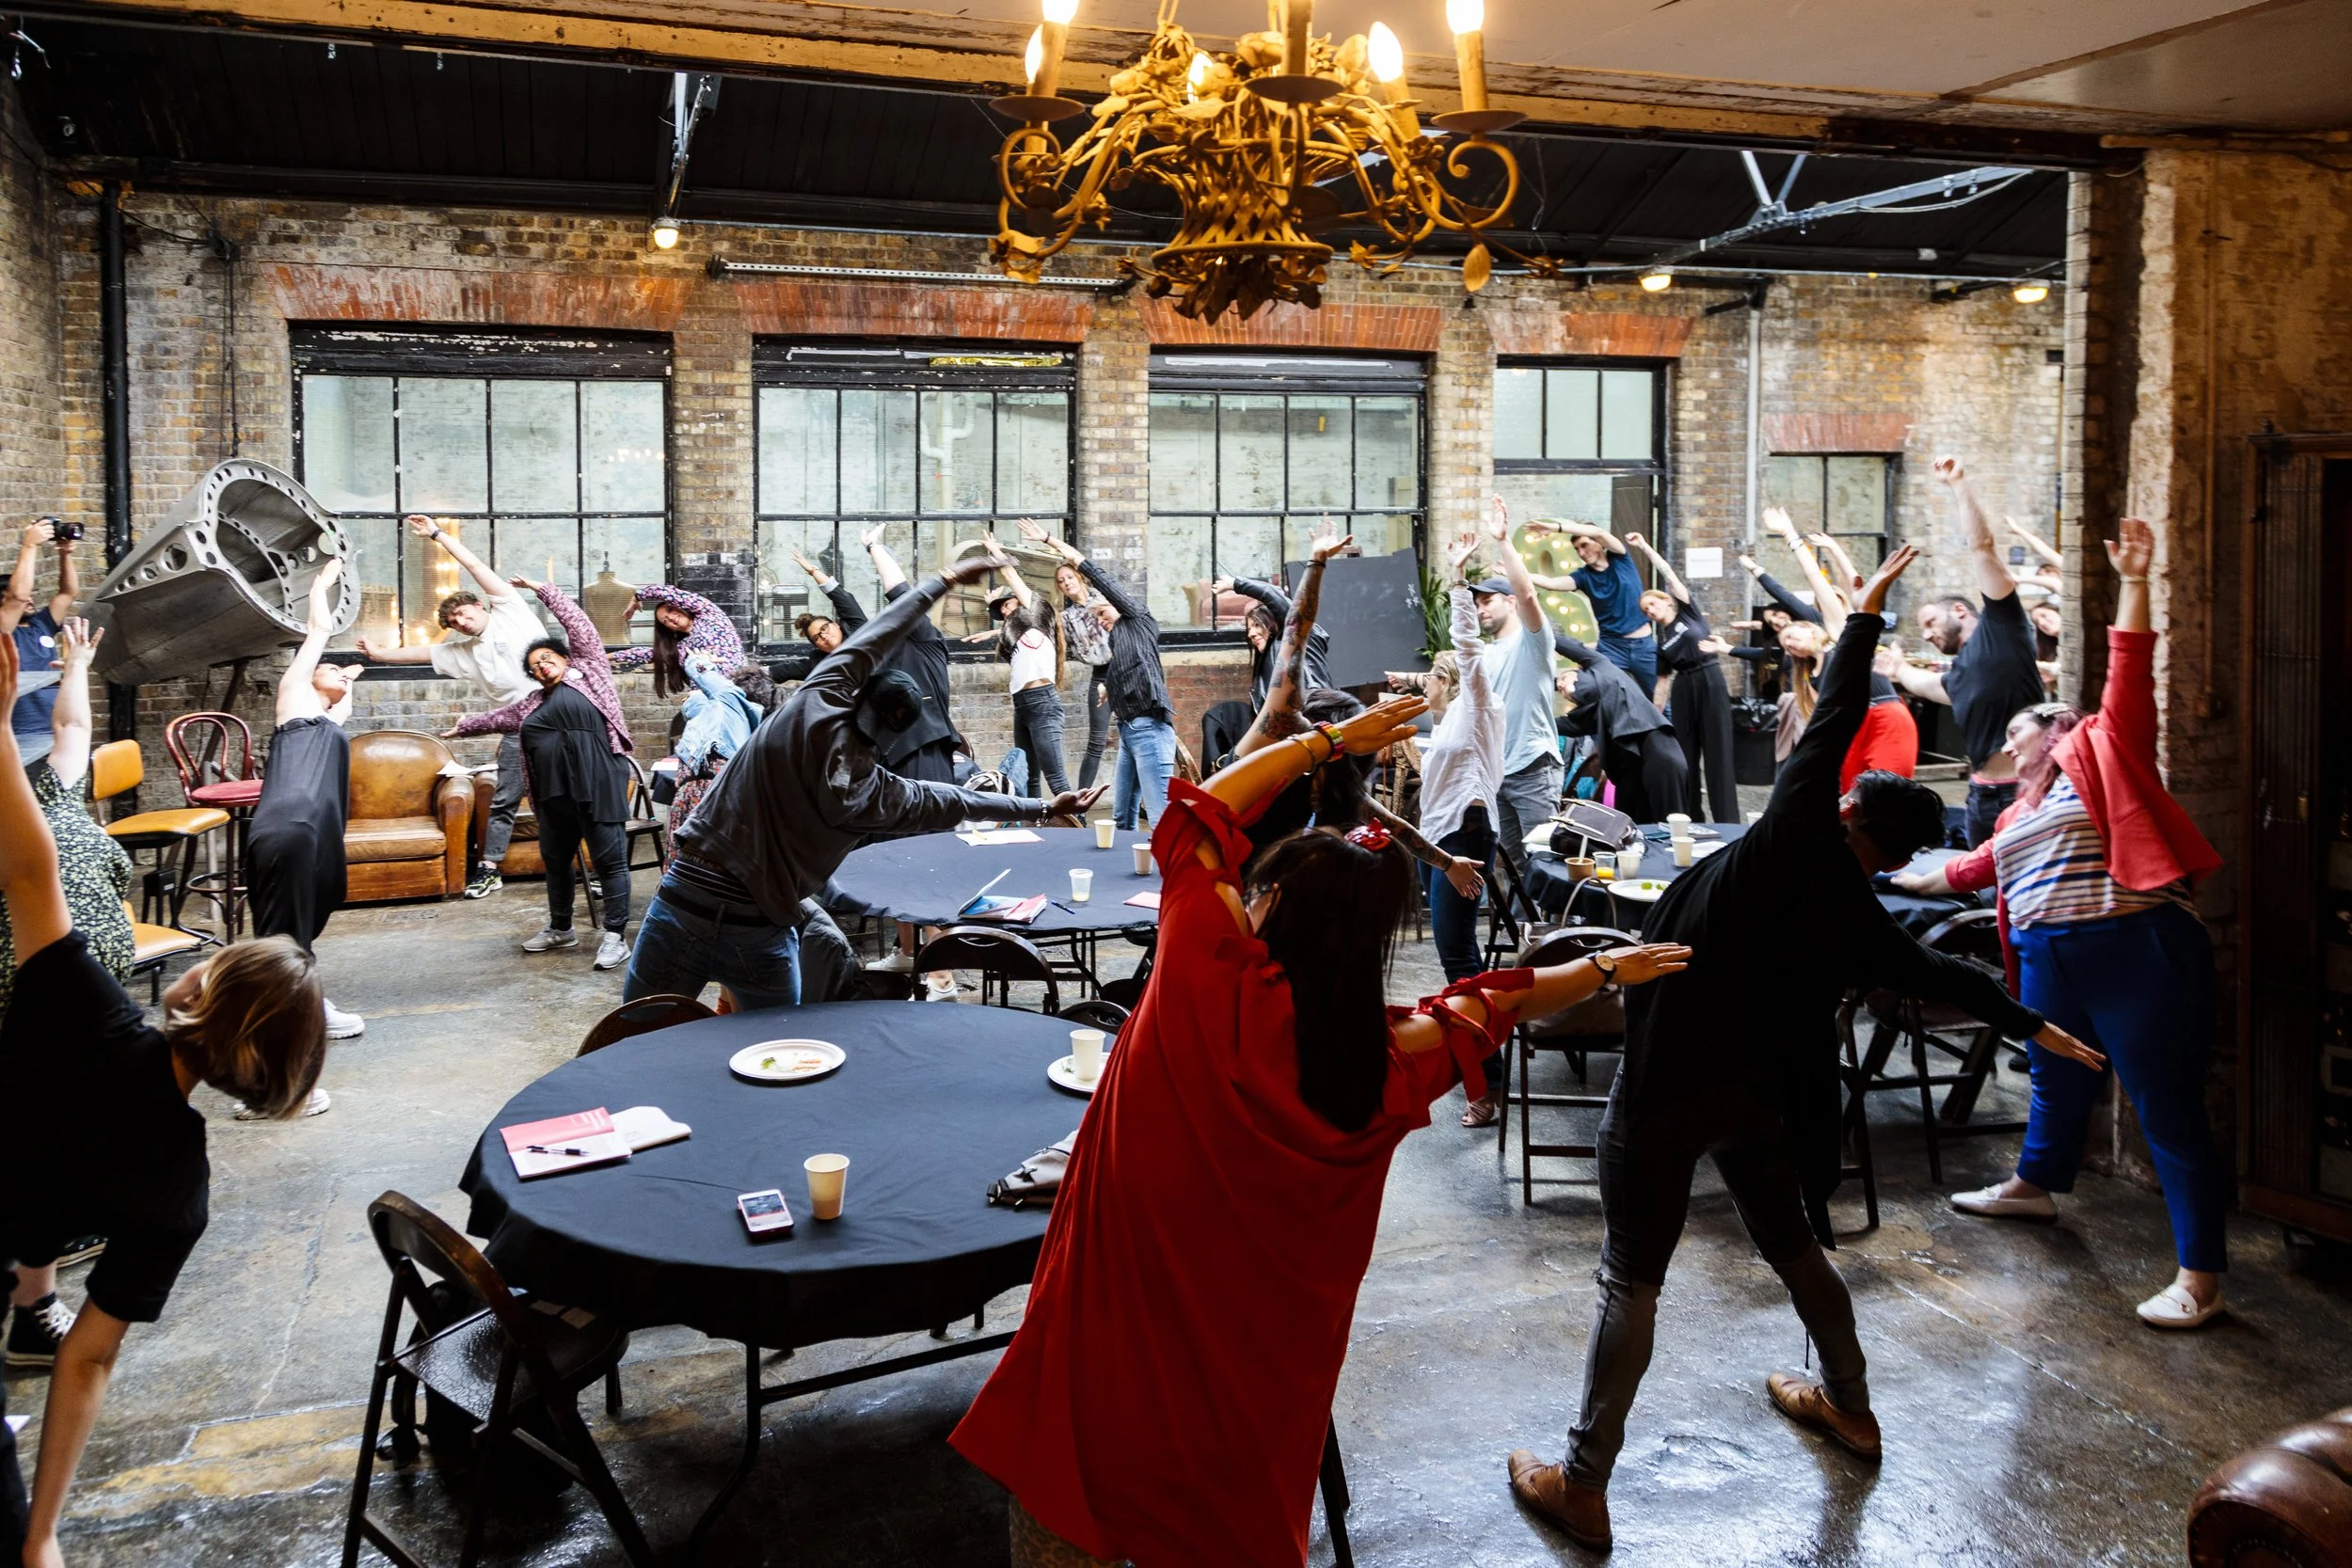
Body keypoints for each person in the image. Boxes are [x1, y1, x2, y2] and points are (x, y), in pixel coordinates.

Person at [949, 689, 1690, 1568]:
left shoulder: (1202, 975)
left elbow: (1202, 808)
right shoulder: (1385, 1065)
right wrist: (1605, 963)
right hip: (1243, 1415)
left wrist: (1325, 741)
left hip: (1095, 1395)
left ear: (1264, 907)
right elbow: (1505, 998)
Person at [1502, 546, 2101, 1552]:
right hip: (1757, 1104)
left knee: (1628, 1278)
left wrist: (1863, 616)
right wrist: (2035, 1026)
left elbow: (1825, 729)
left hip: (1663, 1089)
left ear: (1849, 810)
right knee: (1793, 1249)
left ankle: (1583, 1478)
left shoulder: (1790, 834)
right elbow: (1950, 977)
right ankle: (1849, 1403)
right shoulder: (1861, 914)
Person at [0, 625, 328, 1568]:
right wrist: (43, 1530)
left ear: (194, 987)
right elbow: (88, 1359)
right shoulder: (179, 1190)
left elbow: (29, 871)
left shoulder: (85, 1012)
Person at [1894, 515, 2229, 1329]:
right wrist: (1880, 865)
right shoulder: (2016, 817)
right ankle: (2035, 1188)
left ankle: (2202, 1276)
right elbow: (1963, 871)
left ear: (2061, 731)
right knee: (2055, 1077)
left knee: (2166, 1104)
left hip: (2131, 945)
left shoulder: (2105, 754)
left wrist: (2137, 579)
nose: (2009, 745)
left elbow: (2129, 673)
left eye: (2021, 731)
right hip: (2048, 957)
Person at [625, 546, 1104, 1010]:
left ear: (856, 691)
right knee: (771, 1053)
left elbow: (881, 632)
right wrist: (1043, 808)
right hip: (760, 926)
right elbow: (956, 802)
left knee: (633, 1043)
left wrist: (946, 581)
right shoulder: (877, 792)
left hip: (686, 902)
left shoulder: (813, 707)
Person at [2, 617, 133, 1373]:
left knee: (55, 1148)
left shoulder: (53, 791)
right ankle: (30, 1308)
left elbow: (73, 724)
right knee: (37, 1150)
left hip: (86, 1006)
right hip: (29, 1009)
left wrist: (78, 663)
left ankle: (35, 1294)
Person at [449, 578, 637, 972]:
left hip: (598, 781)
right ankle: (561, 928)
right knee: (556, 863)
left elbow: (579, 625)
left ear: (565, 659)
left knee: (611, 864)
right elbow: (497, 718)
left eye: (547, 657)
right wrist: (464, 726)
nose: (541, 665)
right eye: (534, 666)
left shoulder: (590, 673)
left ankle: (616, 937)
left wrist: (544, 590)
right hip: (553, 795)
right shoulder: (532, 703)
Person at [356, 515, 547, 898]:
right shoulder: (461, 653)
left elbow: (475, 567)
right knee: (506, 797)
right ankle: (489, 868)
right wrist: (379, 654)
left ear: (479, 606)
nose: (461, 622)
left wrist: (438, 534)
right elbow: (421, 652)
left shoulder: (511, 611)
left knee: (570, 794)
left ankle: (589, 864)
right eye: (454, 621)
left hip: (558, 717)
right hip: (516, 728)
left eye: (464, 613)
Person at [1389, 528, 1508, 1127]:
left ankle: (1486, 1082)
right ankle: (1488, 1067)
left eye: (1430, 681)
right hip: (1439, 840)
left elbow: (1466, 650)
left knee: (1459, 959)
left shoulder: (1480, 703)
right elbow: (1437, 739)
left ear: (1452, 681)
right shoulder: (1454, 719)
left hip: (1465, 837)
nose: (1425, 688)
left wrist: (1458, 580)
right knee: (1455, 959)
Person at [1875, 459, 2046, 846]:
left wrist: (1958, 484)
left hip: (2022, 792)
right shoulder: (1960, 673)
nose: (1928, 633)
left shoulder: (2001, 626)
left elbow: (1982, 548)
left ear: (1959, 610)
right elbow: (1931, 685)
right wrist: (1899, 669)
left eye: (1931, 622)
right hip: (1981, 795)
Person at [246, 558, 364, 1077]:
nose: (338, 671)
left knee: (305, 928)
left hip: (318, 835)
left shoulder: (327, 720)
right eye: (330, 668)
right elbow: (318, 631)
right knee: (281, 947)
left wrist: (348, 681)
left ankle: (308, 1005)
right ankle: (274, 1071)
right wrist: (322, 584)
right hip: (290, 827)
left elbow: (342, 711)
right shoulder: (294, 700)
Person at [1021, 519, 1178, 832]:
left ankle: (1166, 876)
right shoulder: (1117, 640)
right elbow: (1126, 666)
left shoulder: (1137, 618)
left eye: (1104, 614)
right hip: (1129, 732)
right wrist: (1109, 687)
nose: (1102, 622)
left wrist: (1050, 540)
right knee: (1121, 818)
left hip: (1150, 729)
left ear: (1117, 605)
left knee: (1160, 818)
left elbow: (1097, 574)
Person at [788, 533, 960, 784]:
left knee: (928, 819)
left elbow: (900, 594)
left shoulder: (919, 642)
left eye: (826, 628)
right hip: (880, 756)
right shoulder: (852, 656)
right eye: (817, 638)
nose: (824, 636)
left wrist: (873, 547)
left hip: (920, 745)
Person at [1469, 498, 1561, 892]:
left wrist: (1505, 542)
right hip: (1498, 772)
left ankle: (1554, 939)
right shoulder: (1487, 654)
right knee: (1513, 866)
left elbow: (1528, 596)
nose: (1480, 610)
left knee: (1544, 862)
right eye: (1476, 604)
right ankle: (1528, 936)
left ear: (1507, 601)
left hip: (1534, 768)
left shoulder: (1533, 642)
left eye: (1487, 600)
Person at [1622, 531, 1739, 823]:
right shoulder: (1661, 643)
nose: (1650, 609)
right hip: (1683, 687)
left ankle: (1728, 822)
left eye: (1654, 603)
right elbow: (1662, 682)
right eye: (1646, 609)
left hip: (1709, 678)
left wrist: (1646, 547)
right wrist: (1656, 715)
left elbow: (1671, 575)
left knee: (1718, 753)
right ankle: (1691, 821)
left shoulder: (1688, 614)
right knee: (1686, 754)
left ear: (1667, 602)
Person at [968, 546, 1072, 796]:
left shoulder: (1038, 615)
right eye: (1000, 610)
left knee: (1056, 779)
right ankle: (1034, 828)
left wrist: (997, 554)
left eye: (1007, 604)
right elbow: (1013, 632)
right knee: (1029, 779)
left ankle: (1079, 828)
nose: (1004, 610)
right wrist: (995, 624)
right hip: (1022, 705)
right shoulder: (1018, 640)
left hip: (1043, 702)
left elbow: (1013, 578)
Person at [1553, 633, 1688, 823]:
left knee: (1667, 825)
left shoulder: (1601, 666)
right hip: (1629, 771)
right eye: (1559, 688)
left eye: (1564, 678)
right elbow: (1553, 725)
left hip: (1657, 752)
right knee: (1630, 828)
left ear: (1579, 670)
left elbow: (1569, 647)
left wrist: (1538, 631)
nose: (1562, 685)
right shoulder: (1589, 717)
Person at [1525, 518, 1655, 689]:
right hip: (1611, 648)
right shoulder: (1583, 577)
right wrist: (1517, 572)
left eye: (1584, 545)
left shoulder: (1621, 559)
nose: (1581, 552)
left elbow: (1599, 533)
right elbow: (1551, 583)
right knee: (1603, 696)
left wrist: (1555, 528)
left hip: (1643, 645)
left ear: (1599, 544)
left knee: (1659, 700)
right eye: (1577, 549)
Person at [665, 656, 774, 848]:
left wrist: (700, 658)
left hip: (698, 797)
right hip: (710, 799)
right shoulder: (743, 725)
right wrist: (695, 698)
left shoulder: (731, 699)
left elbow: (699, 670)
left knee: (685, 866)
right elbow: (695, 707)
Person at [2, 519, 79, 767]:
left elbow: (67, 593)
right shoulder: (4, 631)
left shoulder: (41, 624)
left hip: (54, 730)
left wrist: (65, 555)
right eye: (21, 599)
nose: (29, 600)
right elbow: (19, 595)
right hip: (20, 735)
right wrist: (29, 545)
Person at [1211, 570, 1331, 709]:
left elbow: (1273, 594)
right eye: (1249, 629)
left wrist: (1236, 584)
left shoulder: (1301, 637)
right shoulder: (1267, 659)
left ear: (1273, 622)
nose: (1251, 634)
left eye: (1257, 625)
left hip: (1315, 714)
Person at [607, 581, 746, 698]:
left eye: (670, 609)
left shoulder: (709, 615)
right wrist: (607, 656)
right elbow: (646, 654)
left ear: (680, 605)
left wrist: (637, 597)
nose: (671, 617)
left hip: (739, 687)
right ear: (669, 629)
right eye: (665, 621)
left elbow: (666, 592)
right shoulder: (683, 648)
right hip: (708, 700)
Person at [1054, 562, 1114, 791]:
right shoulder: (1067, 617)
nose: (1066, 582)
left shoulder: (1105, 597)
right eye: (1061, 581)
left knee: (1135, 736)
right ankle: (1081, 802)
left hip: (1126, 671)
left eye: (1069, 577)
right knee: (1097, 741)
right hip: (1101, 676)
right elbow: (1039, 628)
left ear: (1079, 577)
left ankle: (1140, 801)